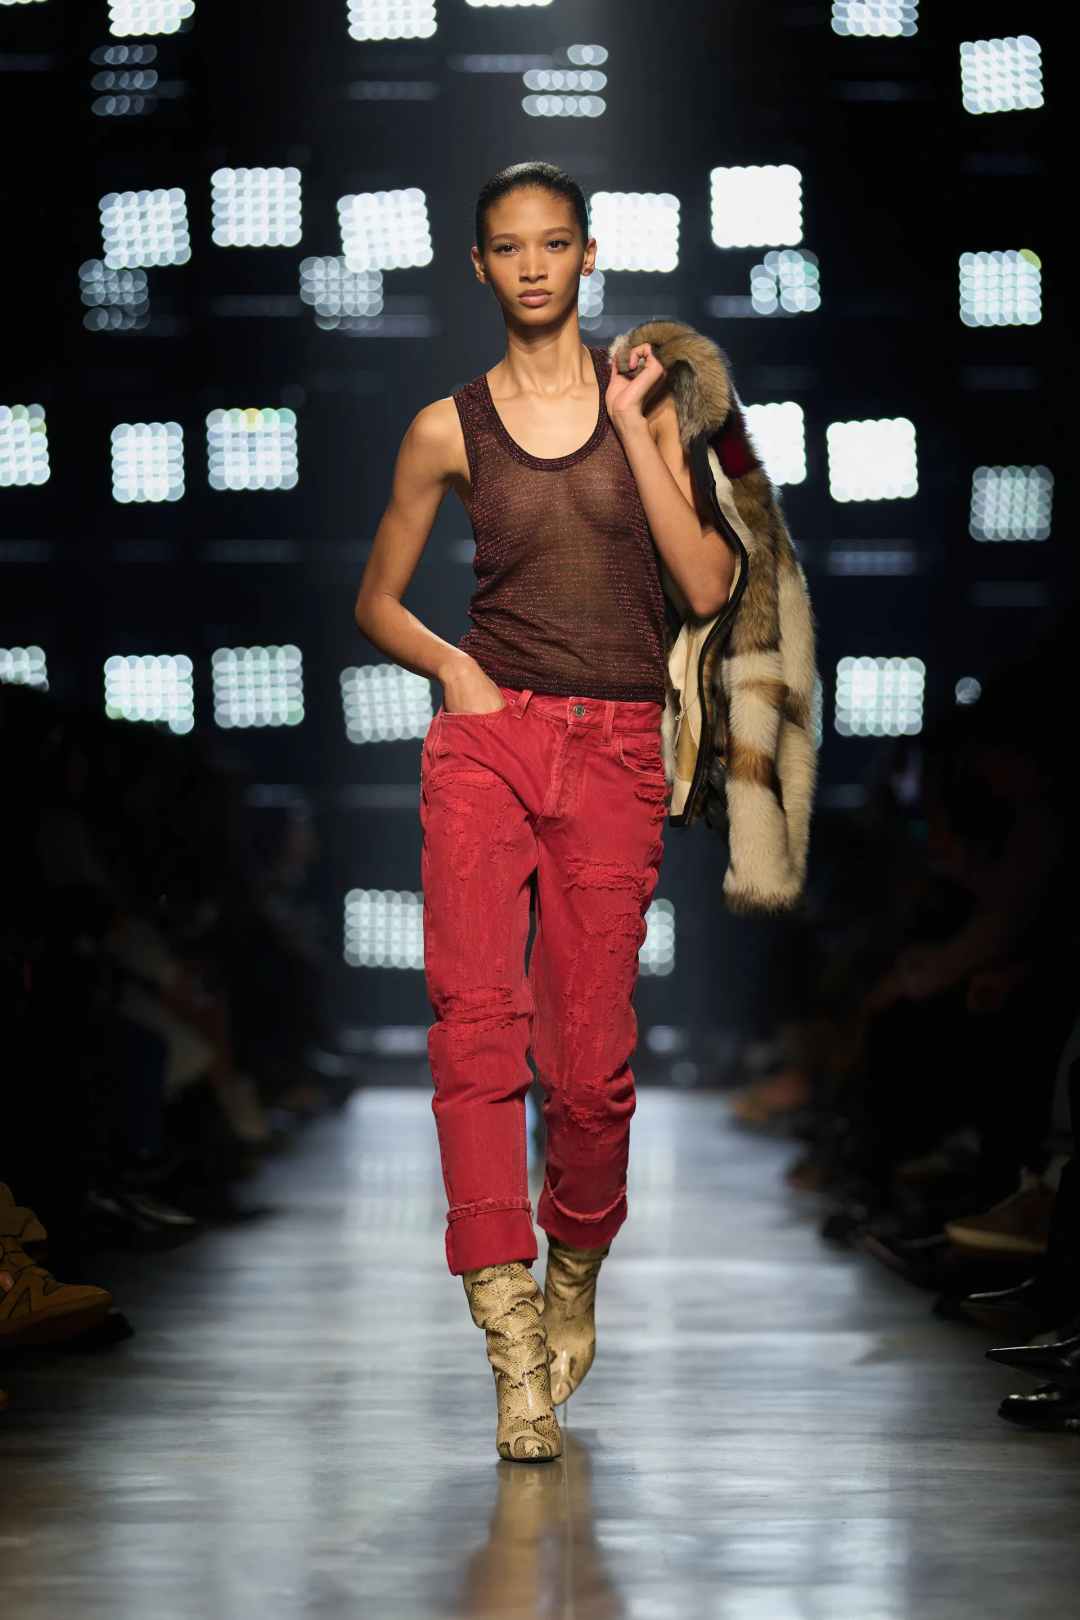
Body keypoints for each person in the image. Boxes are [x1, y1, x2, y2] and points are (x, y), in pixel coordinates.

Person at [355, 162, 751, 1461]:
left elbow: (709, 583)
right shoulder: (445, 428)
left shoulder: (650, 403)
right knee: (475, 1035)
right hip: (489, 740)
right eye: (509, 247)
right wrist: (455, 669)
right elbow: (376, 600)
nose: (533, 265)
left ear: (588, 254)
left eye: (555, 242)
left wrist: (637, 427)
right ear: (478, 265)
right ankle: (509, 1334)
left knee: (589, 1065)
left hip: (618, 748)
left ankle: (573, 1261)